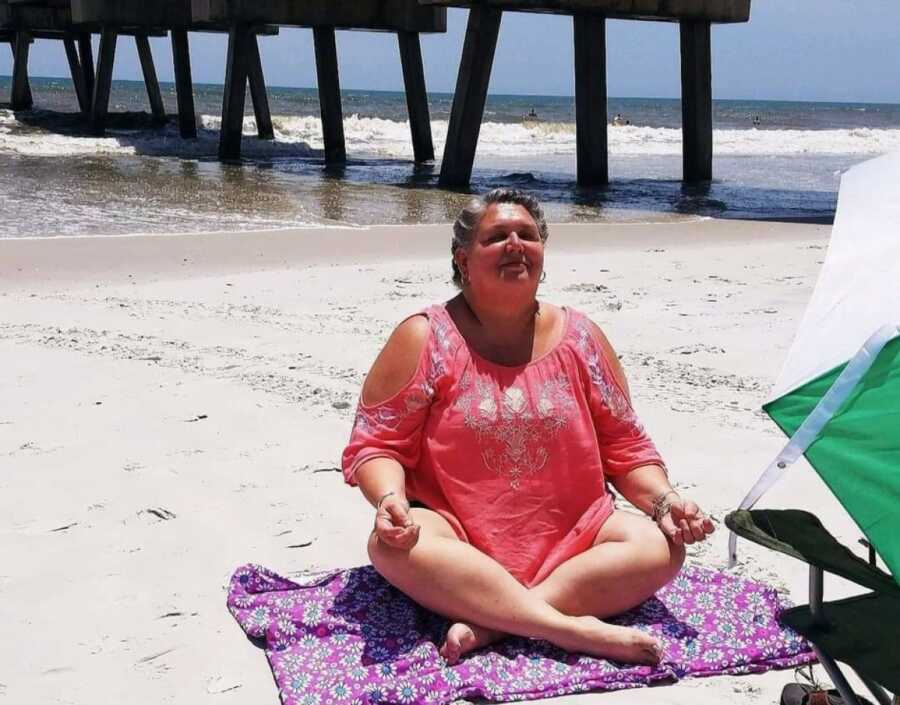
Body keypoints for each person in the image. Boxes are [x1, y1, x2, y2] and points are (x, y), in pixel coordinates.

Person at [341, 189, 714, 667]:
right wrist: (390, 498)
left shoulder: (582, 337)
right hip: (459, 540)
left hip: (576, 538)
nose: (516, 244)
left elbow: (626, 447)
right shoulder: (425, 336)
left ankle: (495, 621)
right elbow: (377, 444)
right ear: (463, 258)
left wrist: (666, 501)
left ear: (543, 253)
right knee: (389, 549)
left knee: (660, 548)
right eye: (497, 237)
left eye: (528, 235)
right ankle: (570, 630)